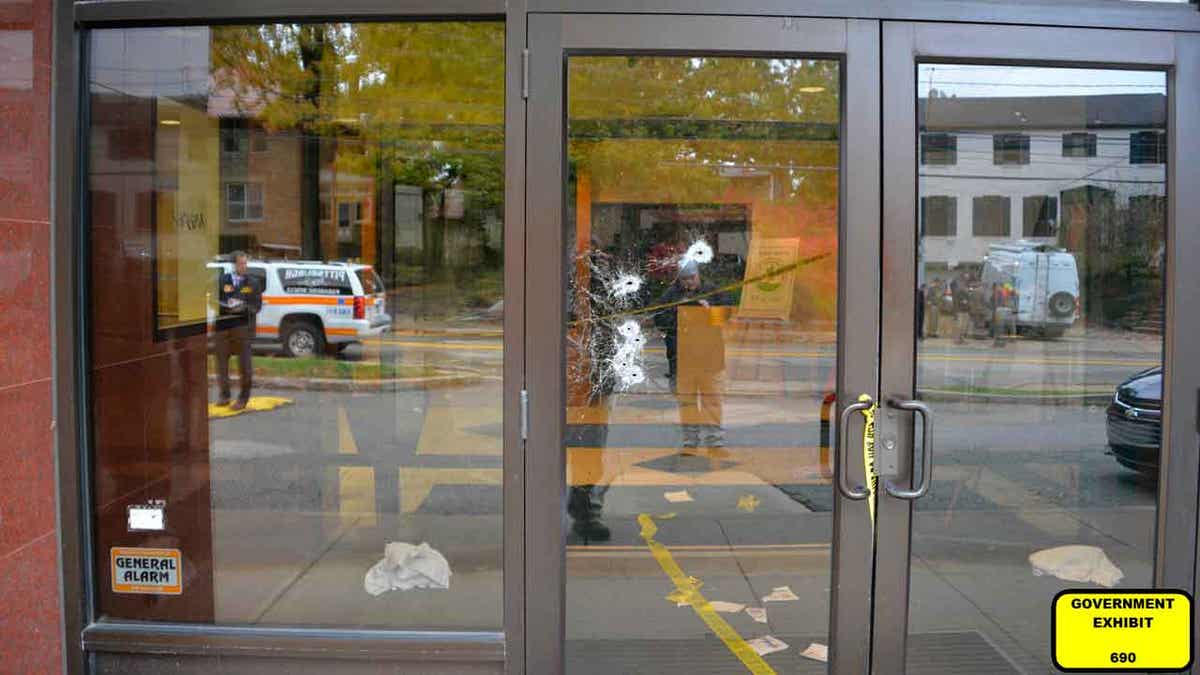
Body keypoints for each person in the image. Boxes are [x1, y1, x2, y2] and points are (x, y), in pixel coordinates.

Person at [653, 258, 728, 451]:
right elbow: (659, 319)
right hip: (682, 358)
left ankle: (714, 439)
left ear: (698, 275)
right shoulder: (671, 295)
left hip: (710, 358)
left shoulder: (713, 292)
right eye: (684, 279)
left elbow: (726, 317)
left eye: (692, 278)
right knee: (687, 402)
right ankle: (690, 439)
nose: (688, 283)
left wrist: (708, 311)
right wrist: (680, 311)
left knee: (712, 399)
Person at [215, 252, 263, 410]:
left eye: (245, 264)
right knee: (221, 363)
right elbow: (213, 300)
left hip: (243, 327)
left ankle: (243, 398)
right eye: (241, 264)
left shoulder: (253, 283)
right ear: (234, 265)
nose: (243, 266)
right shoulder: (222, 280)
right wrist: (224, 306)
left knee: (244, 365)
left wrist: (242, 307)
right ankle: (224, 395)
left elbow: (256, 306)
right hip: (223, 326)